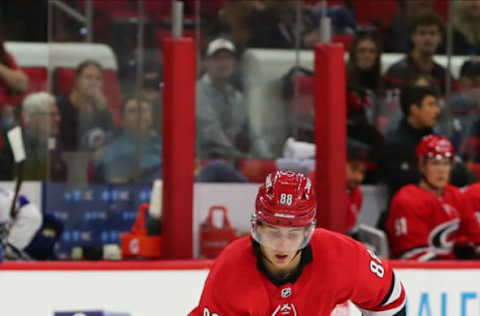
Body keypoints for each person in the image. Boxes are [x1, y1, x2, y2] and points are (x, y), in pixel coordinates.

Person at [190, 170, 406, 315]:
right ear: (257, 228)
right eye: (273, 232)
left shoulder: (340, 255)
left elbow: (391, 297)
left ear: (307, 233)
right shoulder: (231, 271)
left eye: (292, 234)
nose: (282, 245)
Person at [385, 135, 480, 260]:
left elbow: (474, 238)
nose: (441, 170)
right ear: (422, 166)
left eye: (446, 163)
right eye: (435, 163)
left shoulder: (457, 196)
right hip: (415, 273)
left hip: (449, 271)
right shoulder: (407, 199)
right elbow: (413, 254)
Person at [196, 38, 271, 159]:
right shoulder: (197, 93)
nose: (223, 63)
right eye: (217, 58)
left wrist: (269, 160)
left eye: (227, 58)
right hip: (204, 162)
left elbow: (253, 134)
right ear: (206, 63)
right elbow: (211, 133)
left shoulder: (237, 98)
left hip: (232, 161)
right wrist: (240, 158)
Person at [94, 96, 162, 183]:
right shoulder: (112, 151)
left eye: (144, 110)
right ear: (122, 120)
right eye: (132, 111)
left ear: (151, 118)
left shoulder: (163, 144)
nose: (139, 115)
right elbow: (117, 183)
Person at [383, 10, 452, 94]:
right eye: (422, 33)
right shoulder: (397, 73)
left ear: (440, 38)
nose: (427, 38)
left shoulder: (444, 75)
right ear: (412, 36)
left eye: (432, 33)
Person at [57, 59, 115, 151]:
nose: (93, 82)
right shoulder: (60, 105)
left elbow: (112, 138)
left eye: (98, 79)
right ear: (77, 79)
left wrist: (103, 109)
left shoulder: (101, 108)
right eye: (88, 77)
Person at [21, 92, 66, 181]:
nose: (58, 119)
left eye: (58, 114)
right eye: (52, 115)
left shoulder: (56, 142)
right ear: (35, 117)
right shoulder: (17, 143)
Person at [0, 187, 42, 260]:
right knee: (7, 248)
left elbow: (3, 225)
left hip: (27, 217)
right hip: (20, 214)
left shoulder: (2, 201)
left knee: (9, 249)